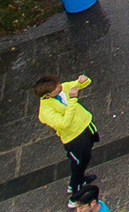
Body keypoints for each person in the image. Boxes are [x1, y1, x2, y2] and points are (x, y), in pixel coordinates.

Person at [34, 72, 99, 208]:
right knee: (79, 164)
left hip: (85, 127)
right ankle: (75, 196)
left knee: (84, 160)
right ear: (47, 95)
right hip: (74, 138)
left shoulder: (62, 89)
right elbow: (64, 123)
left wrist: (84, 80)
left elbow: (81, 84)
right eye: (56, 87)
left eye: (58, 84)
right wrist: (73, 100)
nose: (60, 87)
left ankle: (77, 182)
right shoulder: (45, 112)